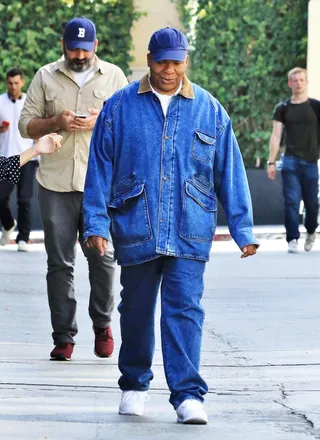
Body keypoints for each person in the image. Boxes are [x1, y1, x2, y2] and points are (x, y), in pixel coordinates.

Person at [83, 27, 259, 424]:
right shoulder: (119, 107)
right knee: (137, 310)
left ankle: (187, 396)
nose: (169, 70)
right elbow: (100, 169)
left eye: (176, 62)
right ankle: (134, 384)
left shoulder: (210, 110)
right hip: (137, 223)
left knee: (185, 310)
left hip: (189, 226)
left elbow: (228, 171)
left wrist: (242, 229)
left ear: (185, 62)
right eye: (162, 61)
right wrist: (95, 223)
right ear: (149, 59)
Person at [19, 17, 128, 361]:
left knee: (103, 259)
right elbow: (25, 125)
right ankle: (64, 336)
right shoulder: (44, 76)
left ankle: (102, 325)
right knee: (59, 265)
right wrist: (56, 122)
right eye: (73, 47)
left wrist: (102, 120)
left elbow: (130, 124)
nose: (79, 54)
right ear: (63, 45)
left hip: (100, 185)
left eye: (85, 48)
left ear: (96, 46)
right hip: (54, 183)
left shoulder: (114, 76)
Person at [267, 67, 320, 253]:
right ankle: (293, 239)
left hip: (311, 162)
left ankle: (312, 230)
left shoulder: (316, 106)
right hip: (290, 161)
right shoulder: (283, 109)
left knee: (313, 203)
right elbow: (276, 135)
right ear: (290, 83)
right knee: (291, 201)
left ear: (306, 82)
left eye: (301, 80)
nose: (298, 83)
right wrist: (271, 162)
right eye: (294, 80)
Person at [0, 68, 38, 252]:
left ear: (22, 82)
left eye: (16, 83)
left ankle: (23, 238)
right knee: (1, 197)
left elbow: (37, 128)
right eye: (10, 83)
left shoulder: (30, 103)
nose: (13, 86)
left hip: (28, 157)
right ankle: (8, 225)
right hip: (6, 158)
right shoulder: (0, 102)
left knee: (25, 200)